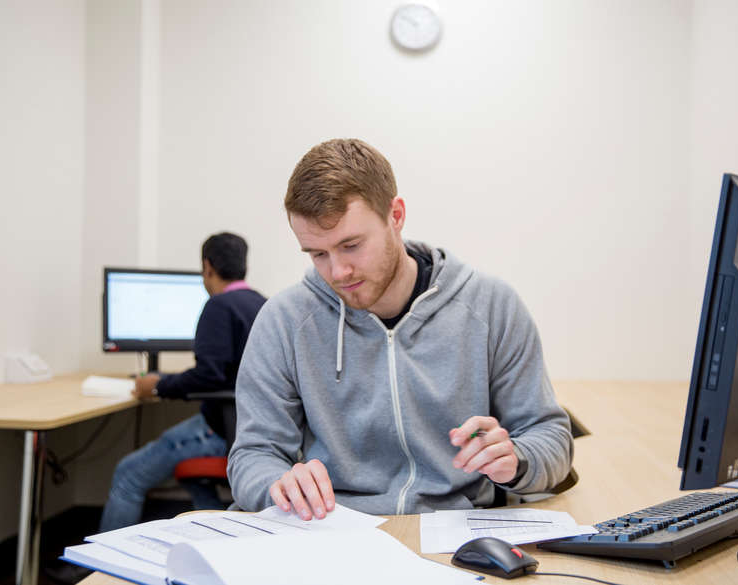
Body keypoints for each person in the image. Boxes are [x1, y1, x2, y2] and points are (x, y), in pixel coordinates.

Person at [227, 139, 573, 520]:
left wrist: (517, 460)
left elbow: (552, 438)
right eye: (318, 254)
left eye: (351, 245)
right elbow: (252, 455)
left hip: (456, 533)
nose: (338, 272)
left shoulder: (491, 307)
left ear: (396, 215)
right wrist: (276, 484)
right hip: (334, 534)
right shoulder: (285, 321)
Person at [100, 232, 266, 531]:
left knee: (128, 473)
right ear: (244, 267)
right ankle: (219, 538)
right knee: (190, 475)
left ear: (208, 267)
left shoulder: (219, 305)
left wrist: (158, 385)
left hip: (221, 430)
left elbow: (208, 376)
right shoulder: (262, 304)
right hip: (254, 429)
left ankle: (99, 570)